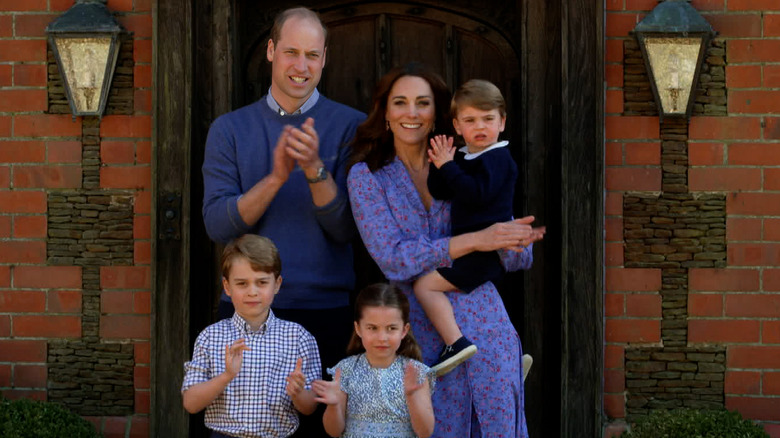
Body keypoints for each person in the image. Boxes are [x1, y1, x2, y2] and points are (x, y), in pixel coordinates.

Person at [347, 63, 545, 437]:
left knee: (497, 426)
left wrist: (516, 241)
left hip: (486, 321)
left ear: (437, 114)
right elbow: (392, 257)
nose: (411, 113)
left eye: (422, 103)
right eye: (400, 102)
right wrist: (473, 241)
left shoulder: (468, 161)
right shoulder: (368, 176)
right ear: (385, 113)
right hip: (418, 331)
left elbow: (514, 252)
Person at [201, 7, 364, 436]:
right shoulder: (229, 129)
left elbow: (348, 229)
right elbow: (218, 225)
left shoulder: (352, 127)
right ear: (271, 51)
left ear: (325, 57)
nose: (301, 66)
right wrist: (275, 178)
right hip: (246, 313)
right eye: (291, 52)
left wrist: (313, 169)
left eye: (312, 54)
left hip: (325, 311)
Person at [414, 79, 524, 376]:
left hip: (484, 253)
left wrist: (449, 167)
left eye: (488, 119)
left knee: (424, 285)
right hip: (469, 249)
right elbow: (441, 190)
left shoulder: (499, 158)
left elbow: (477, 194)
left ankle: (456, 343)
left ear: (502, 122)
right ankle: (506, 360)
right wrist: (440, 162)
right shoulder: (466, 156)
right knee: (472, 306)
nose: (480, 127)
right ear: (457, 125)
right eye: (470, 120)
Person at [181, 234, 321, 438]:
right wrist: (226, 376)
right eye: (242, 283)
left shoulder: (299, 338)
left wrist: (298, 393)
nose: (252, 292)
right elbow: (191, 403)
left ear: (277, 284)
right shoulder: (211, 337)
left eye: (262, 282)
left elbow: (310, 408)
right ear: (227, 287)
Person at [312, 283, 435, 438]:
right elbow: (334, 431)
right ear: (358, 329)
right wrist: (334, 405)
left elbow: (425, 432)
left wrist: (412, 397)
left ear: (404, 330)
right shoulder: (345, 370)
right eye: (372, 328)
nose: (382, 338)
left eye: (391, 328)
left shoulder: (416, 372)